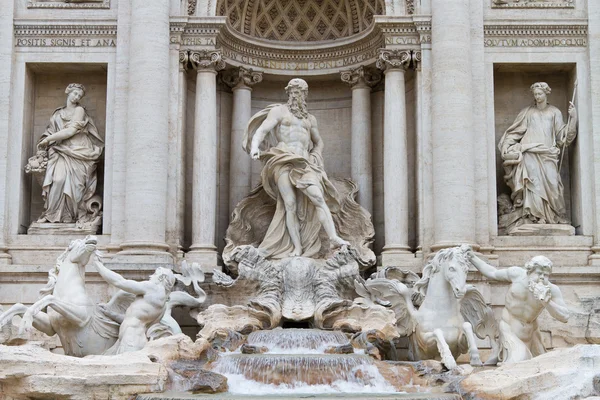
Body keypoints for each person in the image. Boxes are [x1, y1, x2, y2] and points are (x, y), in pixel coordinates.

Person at [244, 78, 349, 258]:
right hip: (283, 159)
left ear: (305, 95)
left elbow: (319, 142)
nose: (295, 95)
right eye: (292, 91)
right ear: (288, 93)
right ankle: (297, 248)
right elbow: (262, 130)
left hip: (304, 162)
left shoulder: (310, 119)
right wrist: (254, 147)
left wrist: (316, 155)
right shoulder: (279, 111)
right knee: (290, 204)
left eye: (299, 92)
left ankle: (333, 238)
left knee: (317, 196)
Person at [467, 251, 570, 364]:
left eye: (545, 275)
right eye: (539, 273)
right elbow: (492, 272)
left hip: (531, 334)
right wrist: (472, 257)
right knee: (520, 362)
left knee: (543, 364)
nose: (541, 278)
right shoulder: (516, 275)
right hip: (509, 329)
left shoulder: (551, 290)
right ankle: (502, 351)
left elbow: (565, 316)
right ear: (529, 271)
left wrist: (547, 302)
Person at [498, 82, 577, 226]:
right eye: (535, 94)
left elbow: (563, 137)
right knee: (532, 184)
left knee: (553, 184)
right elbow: (516, 132)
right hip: (530, 153)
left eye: (540, 94)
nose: (537, 96)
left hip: (548, 154)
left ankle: (555, 216)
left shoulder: (554, 112)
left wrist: (573, 119)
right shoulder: (528, 112)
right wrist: (506, 144)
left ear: (546, 93)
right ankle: (534, 217)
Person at [36, 83, 104, 224]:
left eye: (79, 95)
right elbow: (50, 131)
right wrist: (46, 140)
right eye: (75, 93)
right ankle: (52, 215)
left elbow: (70, 131)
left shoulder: (79, 110)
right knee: (58, 180)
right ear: (68, 91)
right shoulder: (57, 114)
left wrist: (48, 139)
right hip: (61, 150)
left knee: (76, 187)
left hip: (79, 150)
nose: (77, 97)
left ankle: (71, 217)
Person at [91, 256, 175, 355]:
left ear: (162, 277)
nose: (151, 277)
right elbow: (132, 318)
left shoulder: (153, 288)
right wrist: (110, 314)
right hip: (134, 338)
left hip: (131, 339)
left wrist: (98, 265)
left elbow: (120, 282)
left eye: (155, 274)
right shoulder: (162, 305)